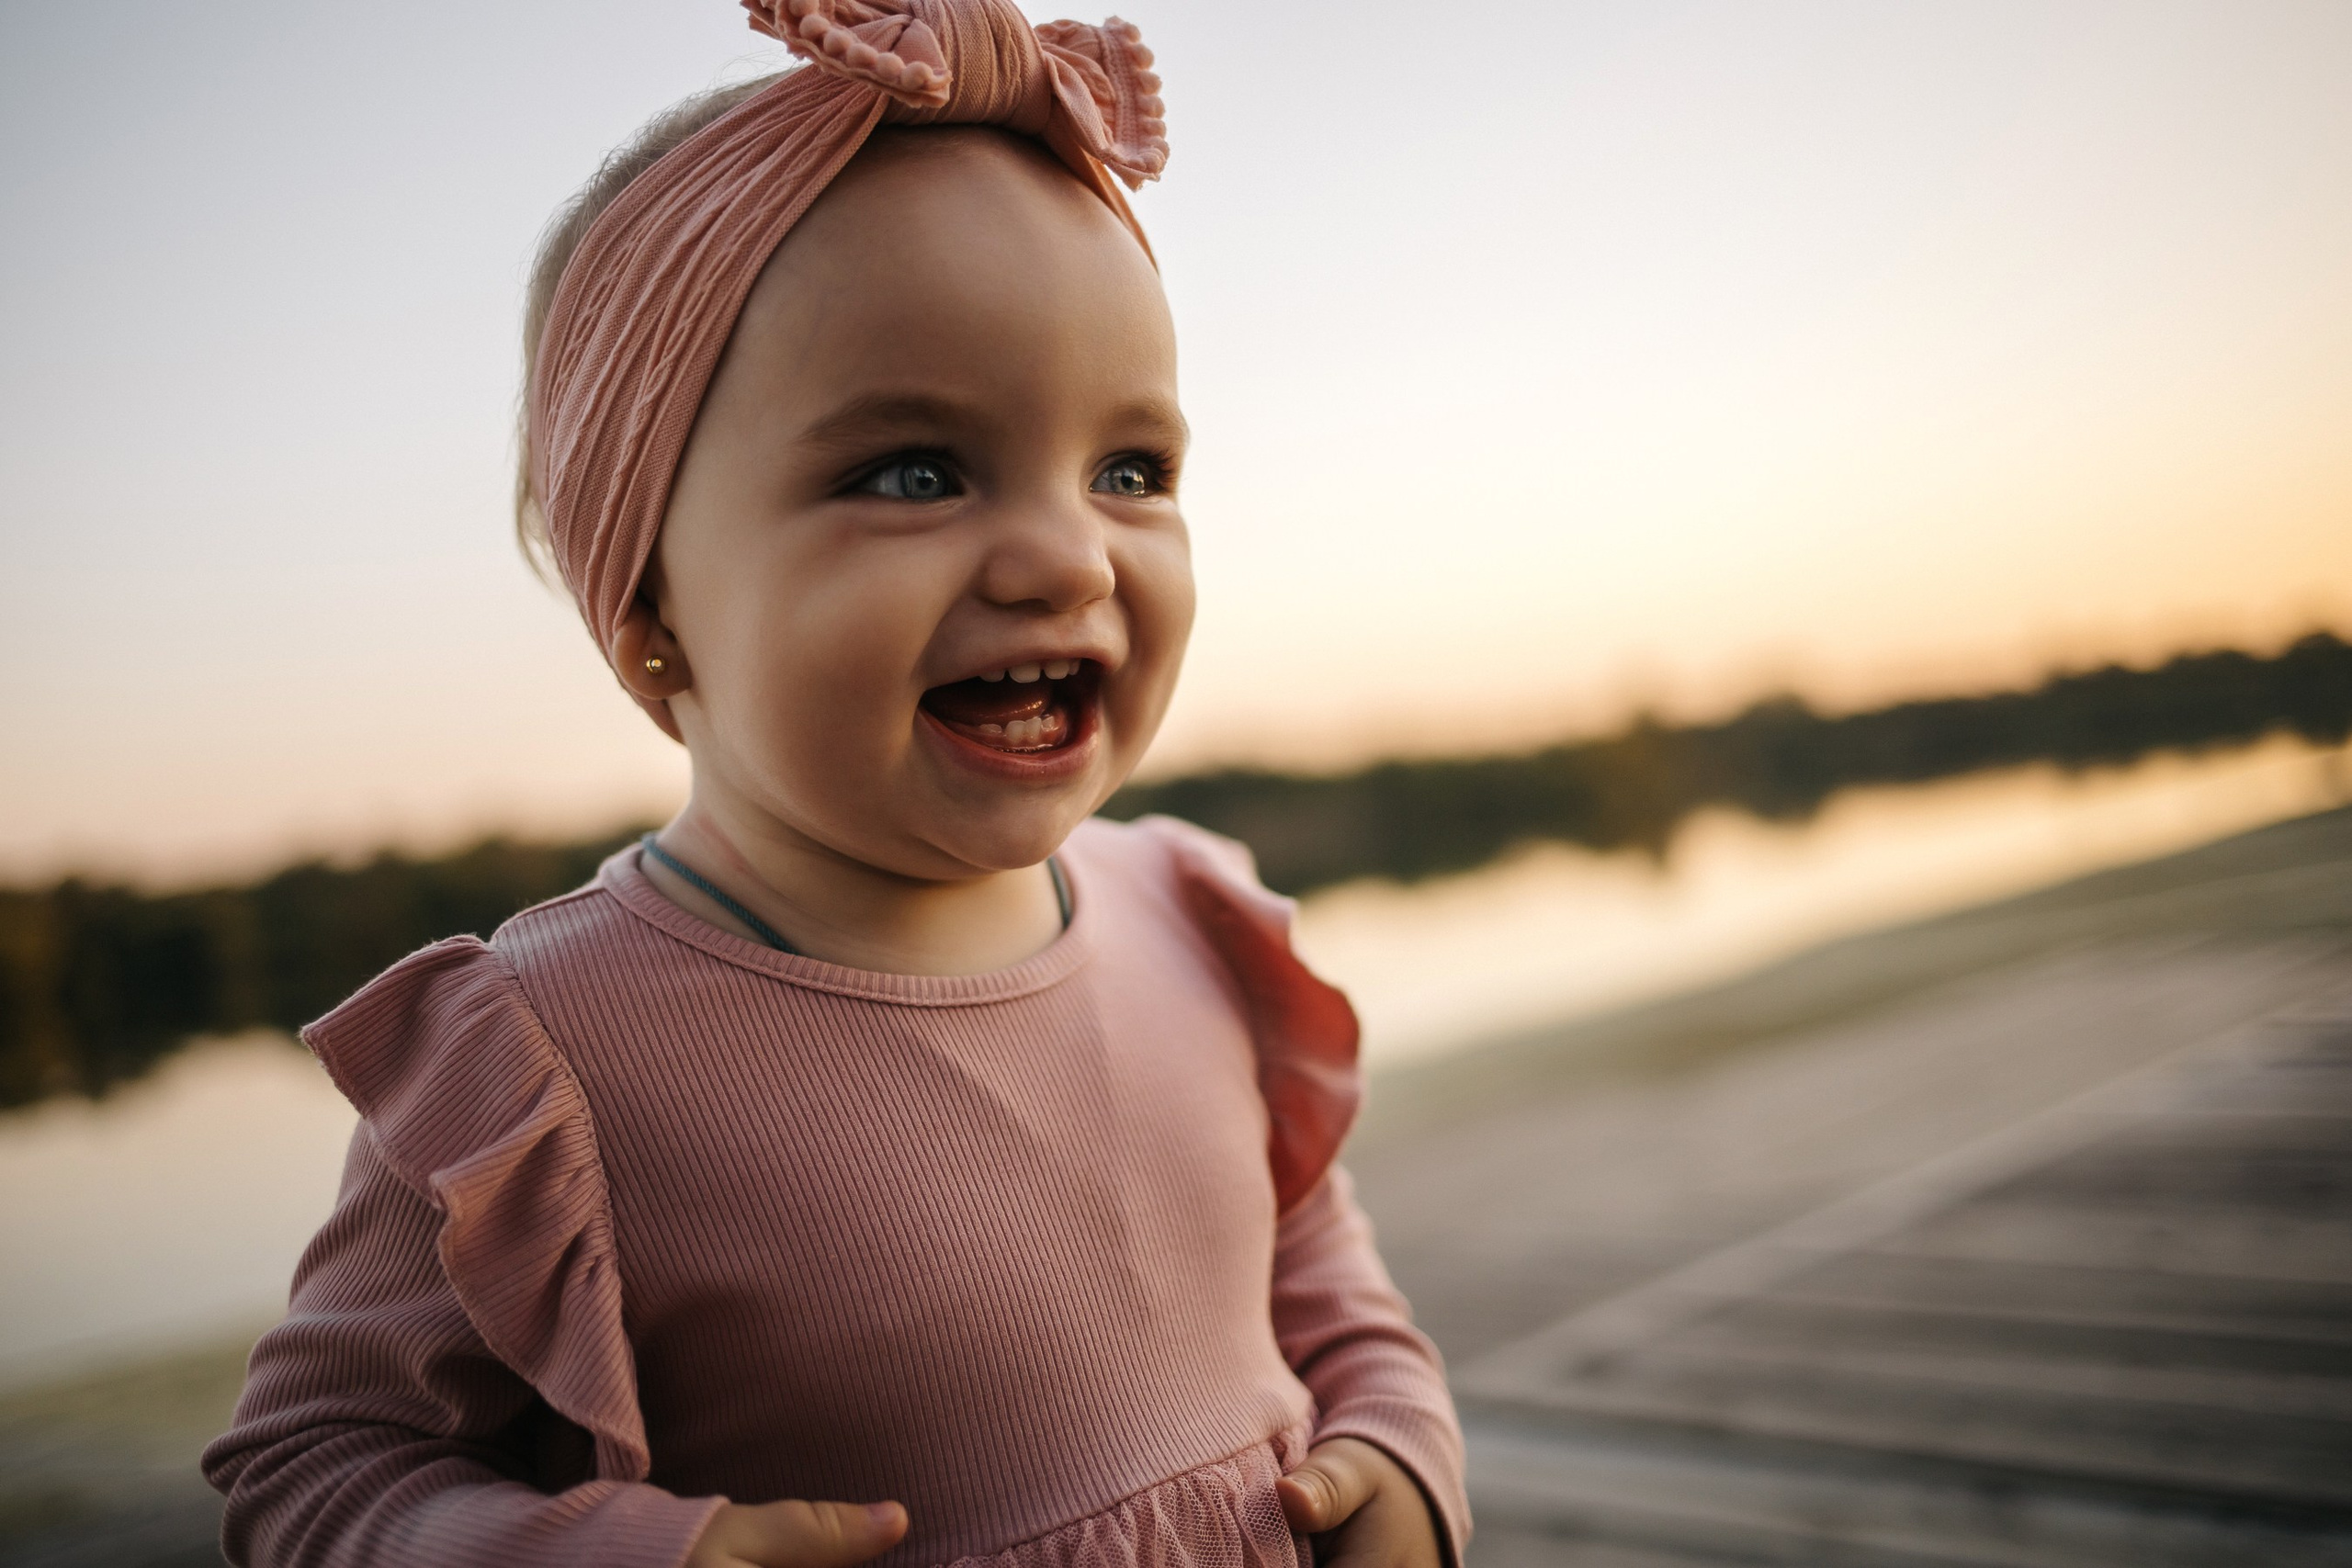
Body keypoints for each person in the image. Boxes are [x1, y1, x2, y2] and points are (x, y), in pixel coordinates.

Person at [201, 4, 1467, 1565]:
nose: (1070, 552)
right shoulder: (546, 1063)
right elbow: (319, 1470)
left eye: (1129, 471)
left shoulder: (1190, 915)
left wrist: (1398, 1450)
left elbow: (1313, 1271)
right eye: (914, 471)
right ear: (654, 608)